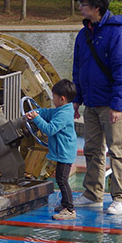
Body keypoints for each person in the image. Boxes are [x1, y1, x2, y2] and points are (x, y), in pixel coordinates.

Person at [71, 0, 122, 216]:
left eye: (84, 5)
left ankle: (121, 198)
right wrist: (77, 99)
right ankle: (92, 194)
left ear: (96, 7)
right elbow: (78, 68)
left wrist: (118, 105)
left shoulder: (117, 33)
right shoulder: (83, 34)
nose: (80, 8)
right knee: (92, 149)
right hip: (91, 103)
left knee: (117, 150)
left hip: (110, 104)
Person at [25, 79, 79, 221]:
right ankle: (64, 204)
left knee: (62, 180)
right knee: (61, 178)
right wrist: (35, 112)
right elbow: (47, 113)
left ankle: (70, 209)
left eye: (54, 97)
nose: (52, 99)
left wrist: (36, 119)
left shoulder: (64, 114)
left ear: (62, 98)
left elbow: (50, 129)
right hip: (62, 151)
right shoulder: (61, 109)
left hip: (65, 152)